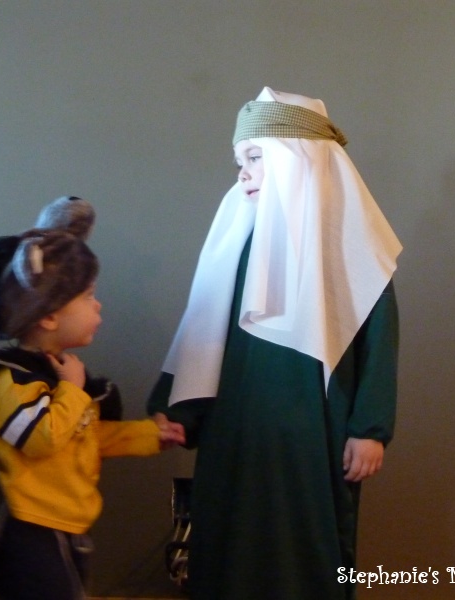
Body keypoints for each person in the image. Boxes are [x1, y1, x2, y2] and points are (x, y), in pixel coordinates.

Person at [147, 87, 402, 599]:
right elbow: (204, 334)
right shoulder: (235, 245)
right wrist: (179, 411)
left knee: (307, 549)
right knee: (230, 545)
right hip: (235, 429)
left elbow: (379, 346)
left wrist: (369, 429)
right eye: (239, 161)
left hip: (315, 436)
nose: (243, 173)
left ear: (297, 158)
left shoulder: (354, 252)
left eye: (255, 157)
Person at [0, 228, 185, 599]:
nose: (98, 305)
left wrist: (149, 435)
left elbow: (84, 434)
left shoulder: (61, 373)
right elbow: (40, 438)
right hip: (29, 528)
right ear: (49, 316)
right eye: (88, 296)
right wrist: (72, 389)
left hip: (64, 522)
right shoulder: (13, 379)